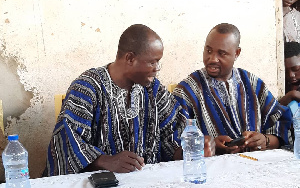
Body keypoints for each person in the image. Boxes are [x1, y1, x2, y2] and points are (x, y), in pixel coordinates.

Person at [43, 24, 215, 176]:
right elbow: (66, 143)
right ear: (130, 58)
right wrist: (105, 161)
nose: (157, 69)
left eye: (158, 62)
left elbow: (171, 134)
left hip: (145, 183)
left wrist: (191, 149)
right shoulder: (88, 87)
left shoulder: (153, 88)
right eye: (152, 62)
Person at [173, 23, 292, 155]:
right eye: (208, 50)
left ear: (236, 53)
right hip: (212, 171)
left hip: (255, 167)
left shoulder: (252, 83)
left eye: (221, 53)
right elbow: (173, 146)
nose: (212, 59)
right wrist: (207, 146)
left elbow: (281, 123)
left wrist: (265, 140)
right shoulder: (187, 91)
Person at [279, 41, 300, 108]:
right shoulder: (283, 86)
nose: (291, 75)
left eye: (296, 69)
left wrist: (294, 94)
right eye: (285, 71)